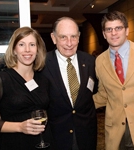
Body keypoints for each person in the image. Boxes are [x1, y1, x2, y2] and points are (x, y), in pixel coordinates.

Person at [93, 11, 134, 150]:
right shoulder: (99, 61)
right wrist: (77, 105)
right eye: (109, 29)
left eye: (118, 28)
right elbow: (104, 94)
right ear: (104, 34)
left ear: (127, 30)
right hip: (115, 129)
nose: (113, 33)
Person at [41, 17, 98, 150]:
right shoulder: (42, 64)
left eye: (73, 37)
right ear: (53, 38)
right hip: (55, 136)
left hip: (86, 135)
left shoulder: (90, 61)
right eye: (63, 37)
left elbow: (96, 91)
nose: (69, 43)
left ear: (79, 37)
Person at [0, 27, 54, 150]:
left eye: (32, 45)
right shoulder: (2, 79)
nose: (27, 50)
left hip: (43, 142)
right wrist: (20, 127)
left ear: (37, 50)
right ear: (14, 50)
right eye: (21, 44)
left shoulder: (43, 80)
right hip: (13, 143)